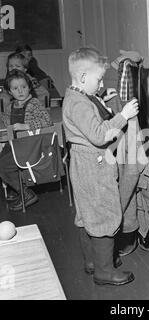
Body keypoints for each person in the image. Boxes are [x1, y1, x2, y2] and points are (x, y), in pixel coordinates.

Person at [62, 47, 140, 286]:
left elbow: (86, 113)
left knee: (88, 213)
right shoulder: (80, 104)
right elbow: (98, 135)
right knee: (104, 212)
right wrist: (123, 116)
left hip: (82, 163)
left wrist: (101, 100)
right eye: (98, 79)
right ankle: (104, 272)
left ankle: (93, 262)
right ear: (83, 77)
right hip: (94, 164)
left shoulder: (76, 96)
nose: (101, 82)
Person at [0, 69, 52, 211]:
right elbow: (5, 121)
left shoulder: (34, 103)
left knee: (3, 166)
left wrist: (26, 125)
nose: (20, 91)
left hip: (30, 145)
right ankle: (16, 188)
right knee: (2, 159)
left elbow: (47, 121)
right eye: (15, 88)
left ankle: (25, 192)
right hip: (15, 144)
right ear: (10, 92)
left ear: (29, 87)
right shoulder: (11, 106)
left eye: (23, 87)